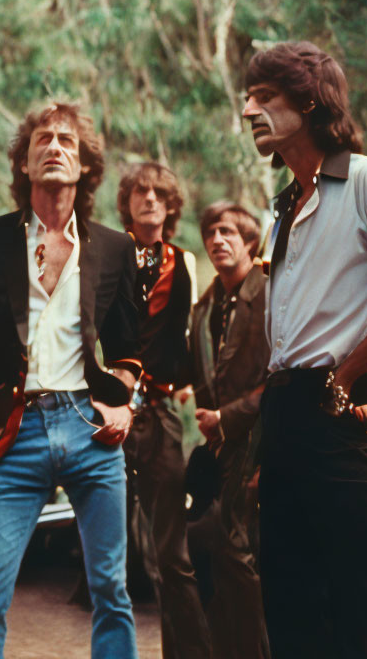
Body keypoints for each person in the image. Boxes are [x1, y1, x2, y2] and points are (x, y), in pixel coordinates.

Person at [241, 41, 367, 658]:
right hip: (282, 417)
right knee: (293, 604)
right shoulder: (281, 207)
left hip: (337, 407)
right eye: (247, 98)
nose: (249, 110)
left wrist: (345, 379)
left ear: (308, 101)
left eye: (264, 98)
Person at [0, 102, 140, 659]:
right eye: (42, 140)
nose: (55, 146)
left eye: (67, 141)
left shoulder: (114, 247)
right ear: (24, 165)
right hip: (15, 430)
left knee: (111, 591)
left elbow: (130, 349)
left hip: (89, 428)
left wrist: (125, 404)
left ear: (84, 167)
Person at [116, 162, 211, 659]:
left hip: (162, 412)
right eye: (140, 191)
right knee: (114, 552)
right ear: (127, 202)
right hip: (109, 413)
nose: (149, 199)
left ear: (170, 205)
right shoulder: (106, 255)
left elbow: (191, 335)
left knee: (172, 555)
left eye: (158, 193)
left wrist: (196, 392)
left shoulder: (185, 261)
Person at [186, 200, 269, 659]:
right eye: (211, 233)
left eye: (228, 233)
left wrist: (229, 416)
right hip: (221, 450)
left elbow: (284, 374)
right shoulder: (204, 307)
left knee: (240, 553)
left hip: (270, 440)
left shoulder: (272, 292)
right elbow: (201, 374)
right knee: (214, 551)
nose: (217, 241)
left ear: (250, 243)